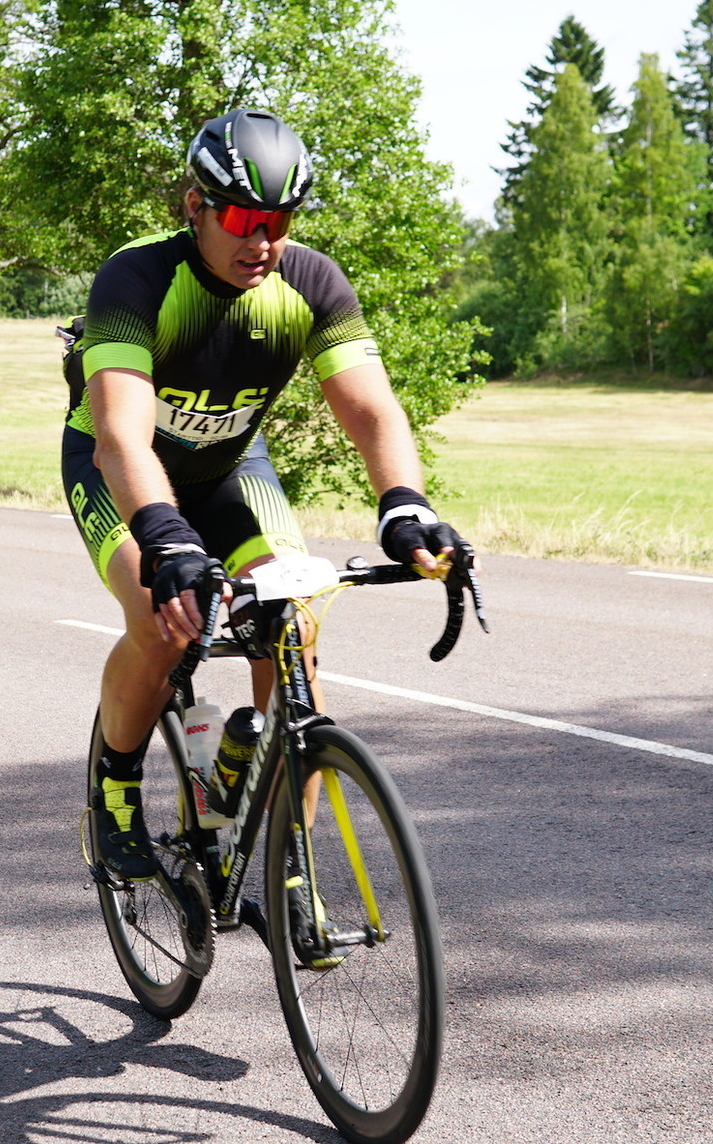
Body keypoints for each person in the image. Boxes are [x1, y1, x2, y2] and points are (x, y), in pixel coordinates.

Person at [64, 108, 465, 881]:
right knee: (165, 621)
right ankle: (115, 785)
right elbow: (120, 435)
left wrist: (405, 504)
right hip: (119, 468)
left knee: (295, 624)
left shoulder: (310, 282)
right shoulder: (137, 278)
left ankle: (287, 861)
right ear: (195, 205)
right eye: (246, 220)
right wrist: (167, 539)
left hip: (229, 469)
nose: (263, 242)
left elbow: (372, 410)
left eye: (280, 222)